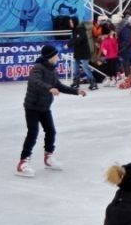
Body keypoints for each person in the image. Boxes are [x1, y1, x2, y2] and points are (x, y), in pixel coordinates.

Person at [16, 44, 86, 177]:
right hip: (32, 106)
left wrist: (76, 91)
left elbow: (59, 86)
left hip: (44, 107)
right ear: (50, 57)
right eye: (56, 55)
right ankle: (23, 162)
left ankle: (48, 158)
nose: (58, 57)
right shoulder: (38, 69)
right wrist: (49, 88)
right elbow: (35, 82)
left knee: (51, 131)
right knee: (33, 133)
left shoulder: (52, 70)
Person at [69, 17, 98, 90]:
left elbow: (79, 40)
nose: (70, 24)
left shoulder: (81, 29)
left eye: (71, 22)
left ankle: (92, 82)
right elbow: (73, 39)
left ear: (75, 22)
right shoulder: (74, 30)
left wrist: (69, 44)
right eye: (70, 22)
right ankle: (76, 81)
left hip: (84, 51)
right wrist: (69, 43)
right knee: (75, 66)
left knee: (85, 67)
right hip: (78, 51)